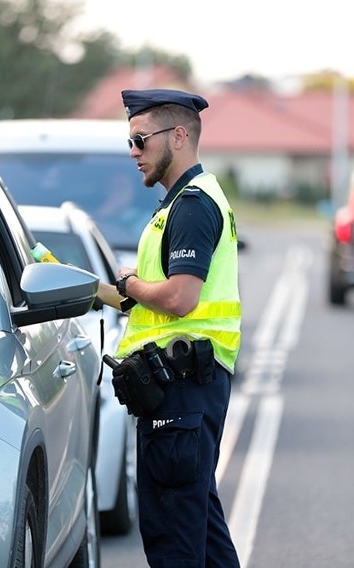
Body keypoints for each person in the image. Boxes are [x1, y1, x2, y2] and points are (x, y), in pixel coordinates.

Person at [98, 88, 242, 567]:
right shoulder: (180, 203)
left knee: (174, 543)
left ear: (178, 136)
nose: (134, 153)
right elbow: (149, 299)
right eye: (130, 143)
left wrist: (133, 284)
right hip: (184, 391)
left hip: (180, 393)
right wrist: (96, 286)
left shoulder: (193, 206)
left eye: (141, 140)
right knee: (203, 537)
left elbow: (180, 297)